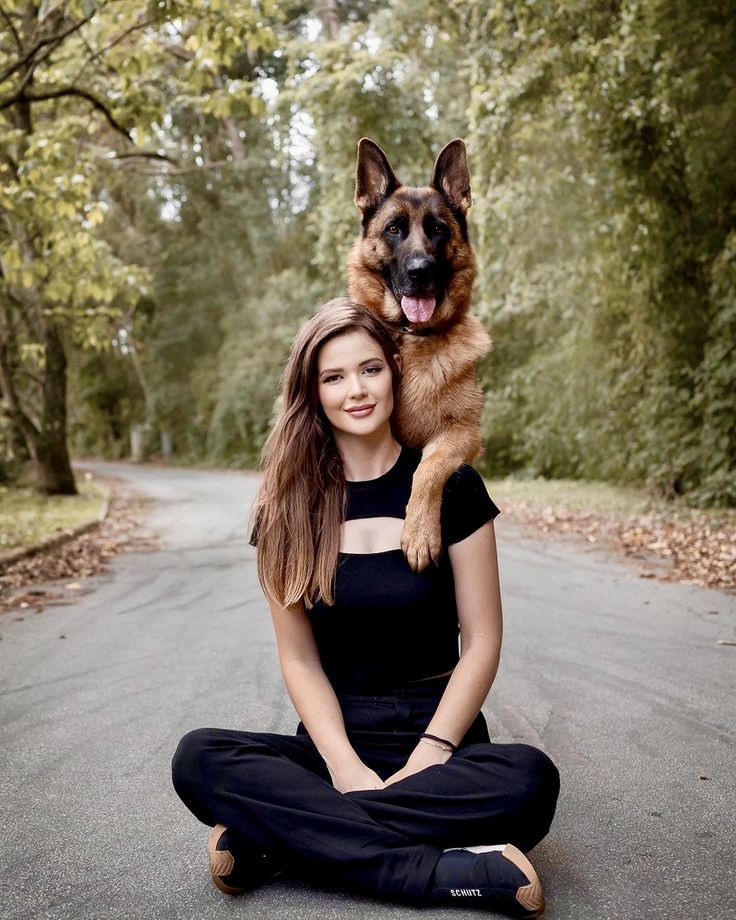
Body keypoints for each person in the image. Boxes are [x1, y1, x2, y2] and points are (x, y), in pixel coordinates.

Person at [171, 298, 559, 918]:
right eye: (334, 377)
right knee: (198, 757)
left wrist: (432, 751)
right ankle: (436, 873)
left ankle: (280, 840)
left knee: (530, 781)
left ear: (396, 373)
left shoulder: (451, 486)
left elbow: (483, 640)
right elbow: (300, 662)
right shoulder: (285, 508)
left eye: (371, 369)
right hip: (333, 745)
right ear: (312, 392)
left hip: (442, 742)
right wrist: (344, 767)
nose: (356, 390)